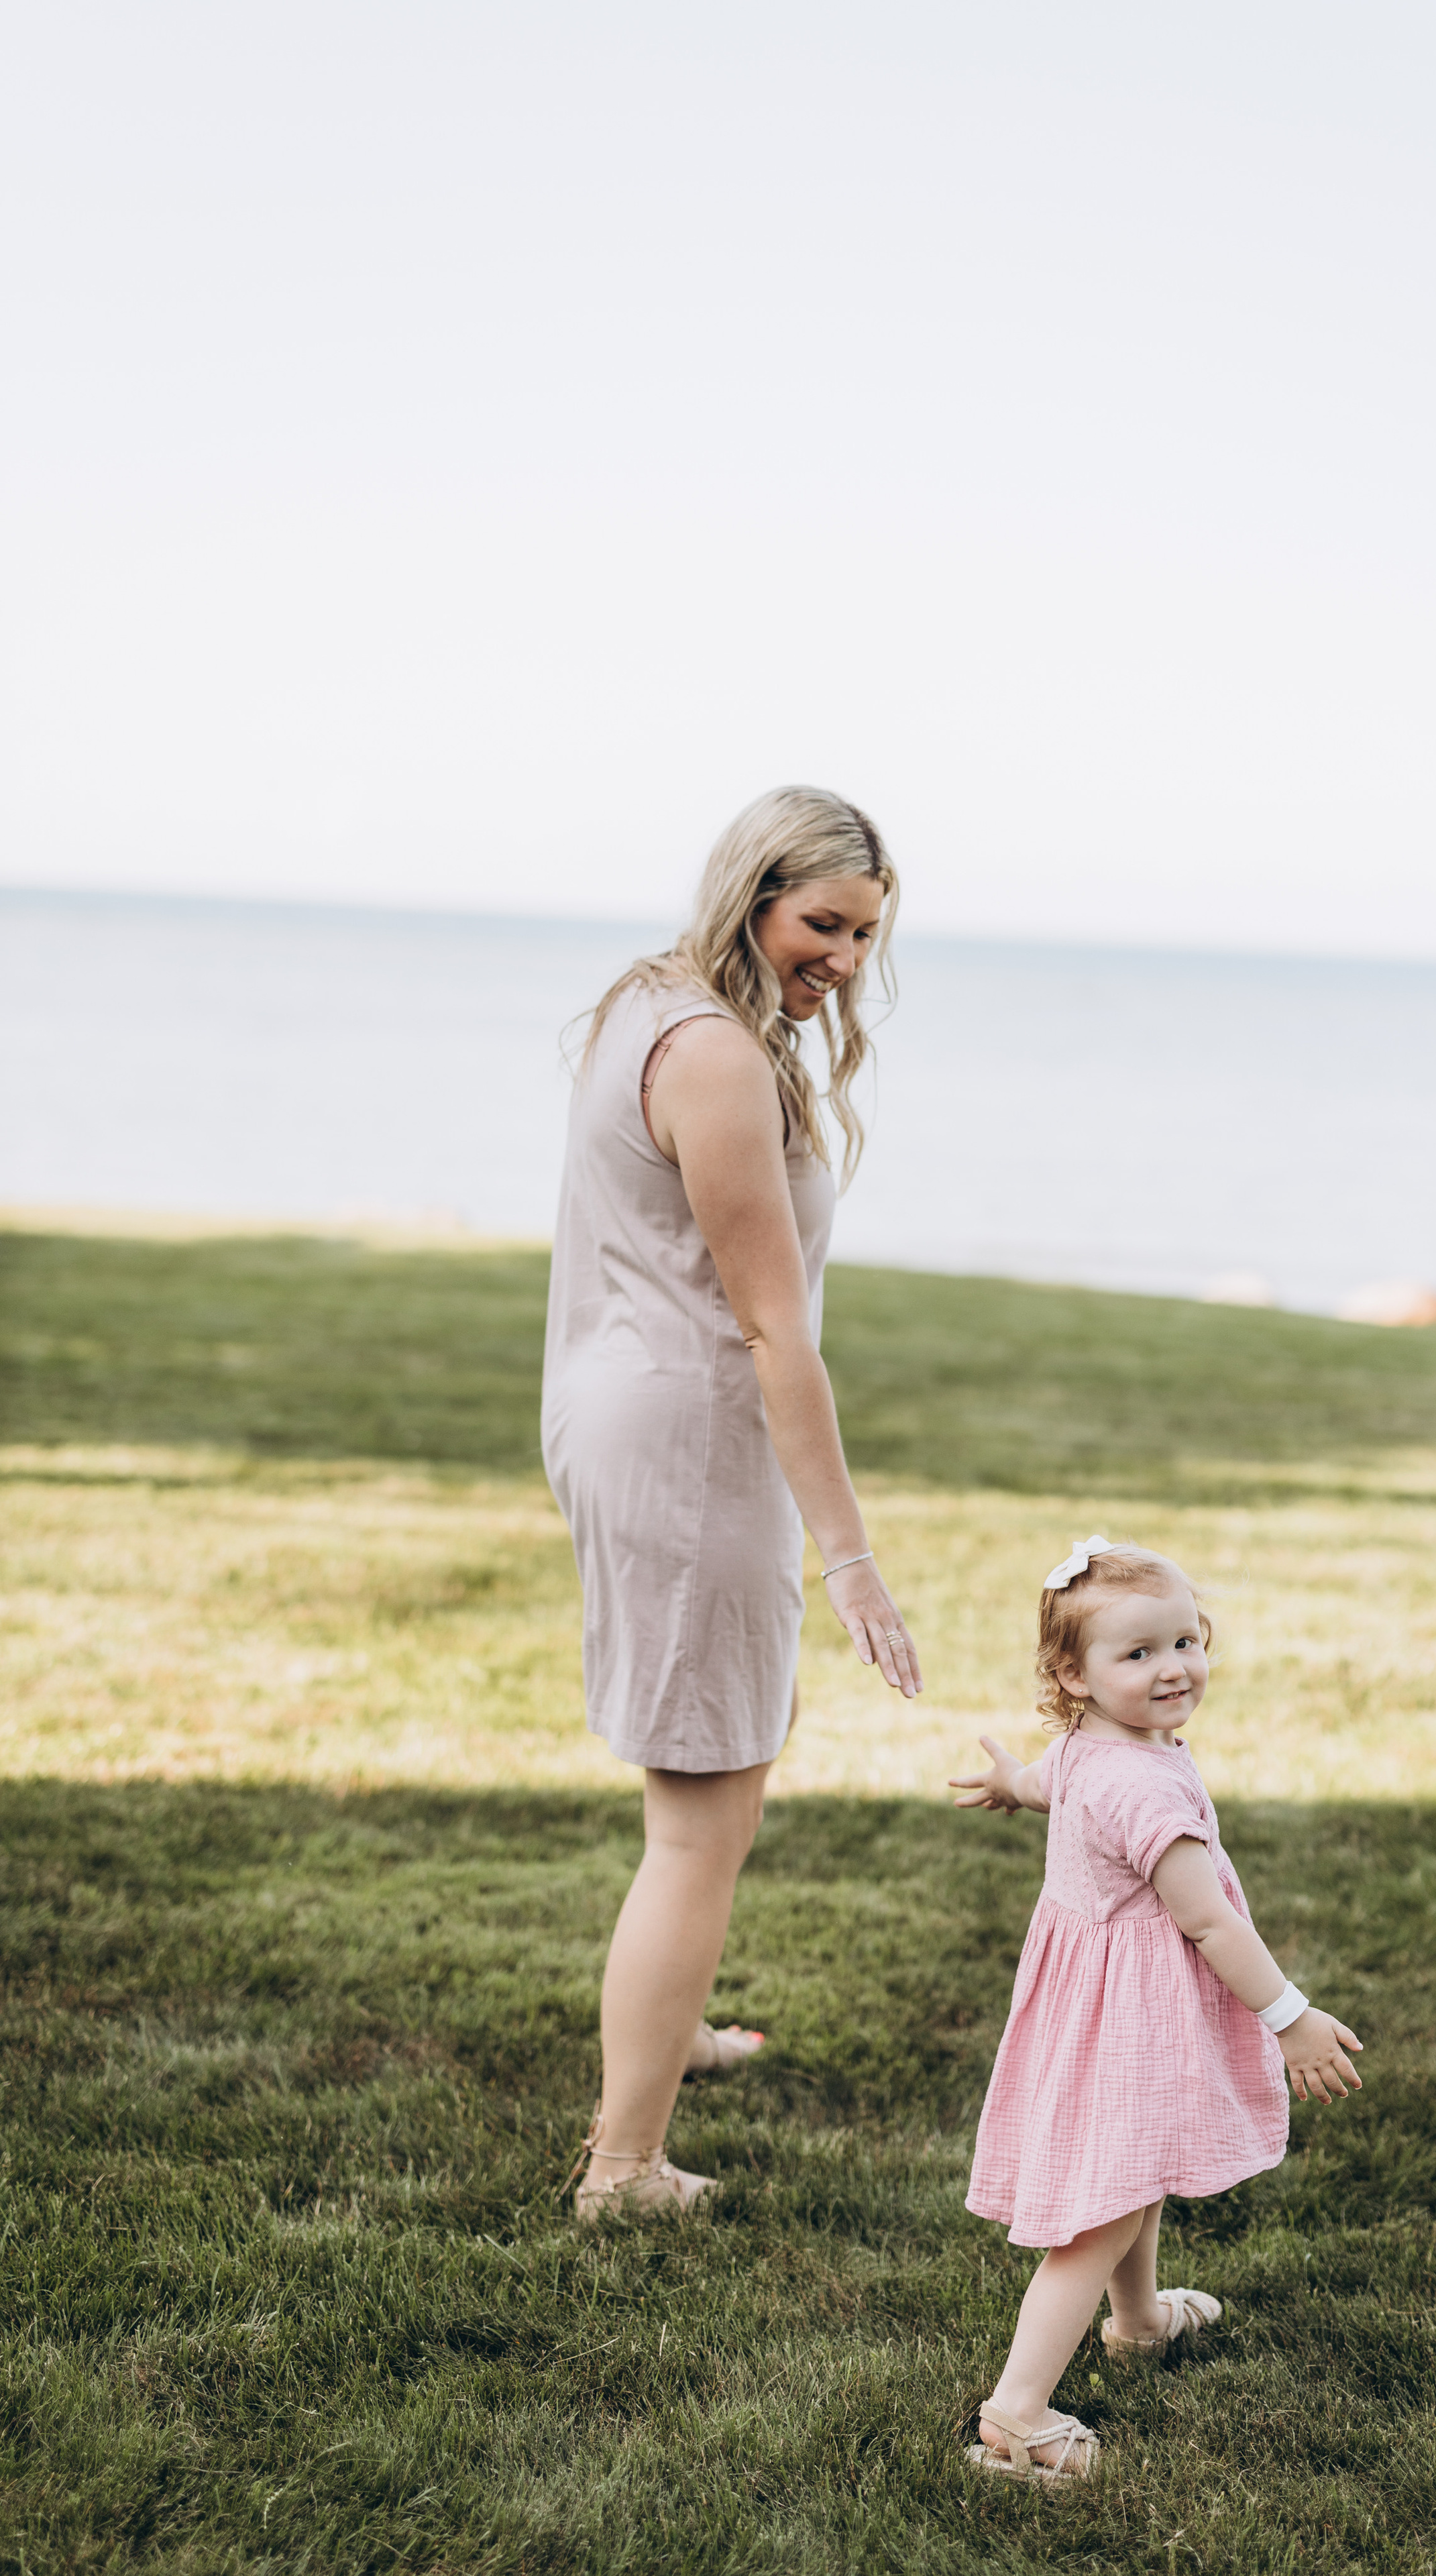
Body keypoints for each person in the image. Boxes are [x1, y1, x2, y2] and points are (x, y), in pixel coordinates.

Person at [544, 786, 923, 2220]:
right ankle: (623, 2165)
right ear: (750, 894)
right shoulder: (713, 1056)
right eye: (819, 923)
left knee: (693, 1798)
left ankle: (668, 2020)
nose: (839, 958)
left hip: (625, 1407)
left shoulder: (652, 1001)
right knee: (702, 1819)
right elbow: (776, 1333)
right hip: (694, 1440)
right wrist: (851, 1559)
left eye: (862, 934)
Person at [948, 1536, 1364, 2487]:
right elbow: (1209, 1921)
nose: (1173, 1668)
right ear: (1074, 1672)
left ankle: (1136, 2325)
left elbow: (1051, 1783)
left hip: (1095, 2008)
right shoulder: (1144, 1786)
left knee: (1137, 2177)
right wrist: (1289, 2015)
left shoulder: (1098, 1746)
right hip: (1128, 2019)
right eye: (1138, 1654)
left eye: (1185, 1641)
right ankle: (1015, 2416)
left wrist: (1015, 1783)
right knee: (1099, 2215)